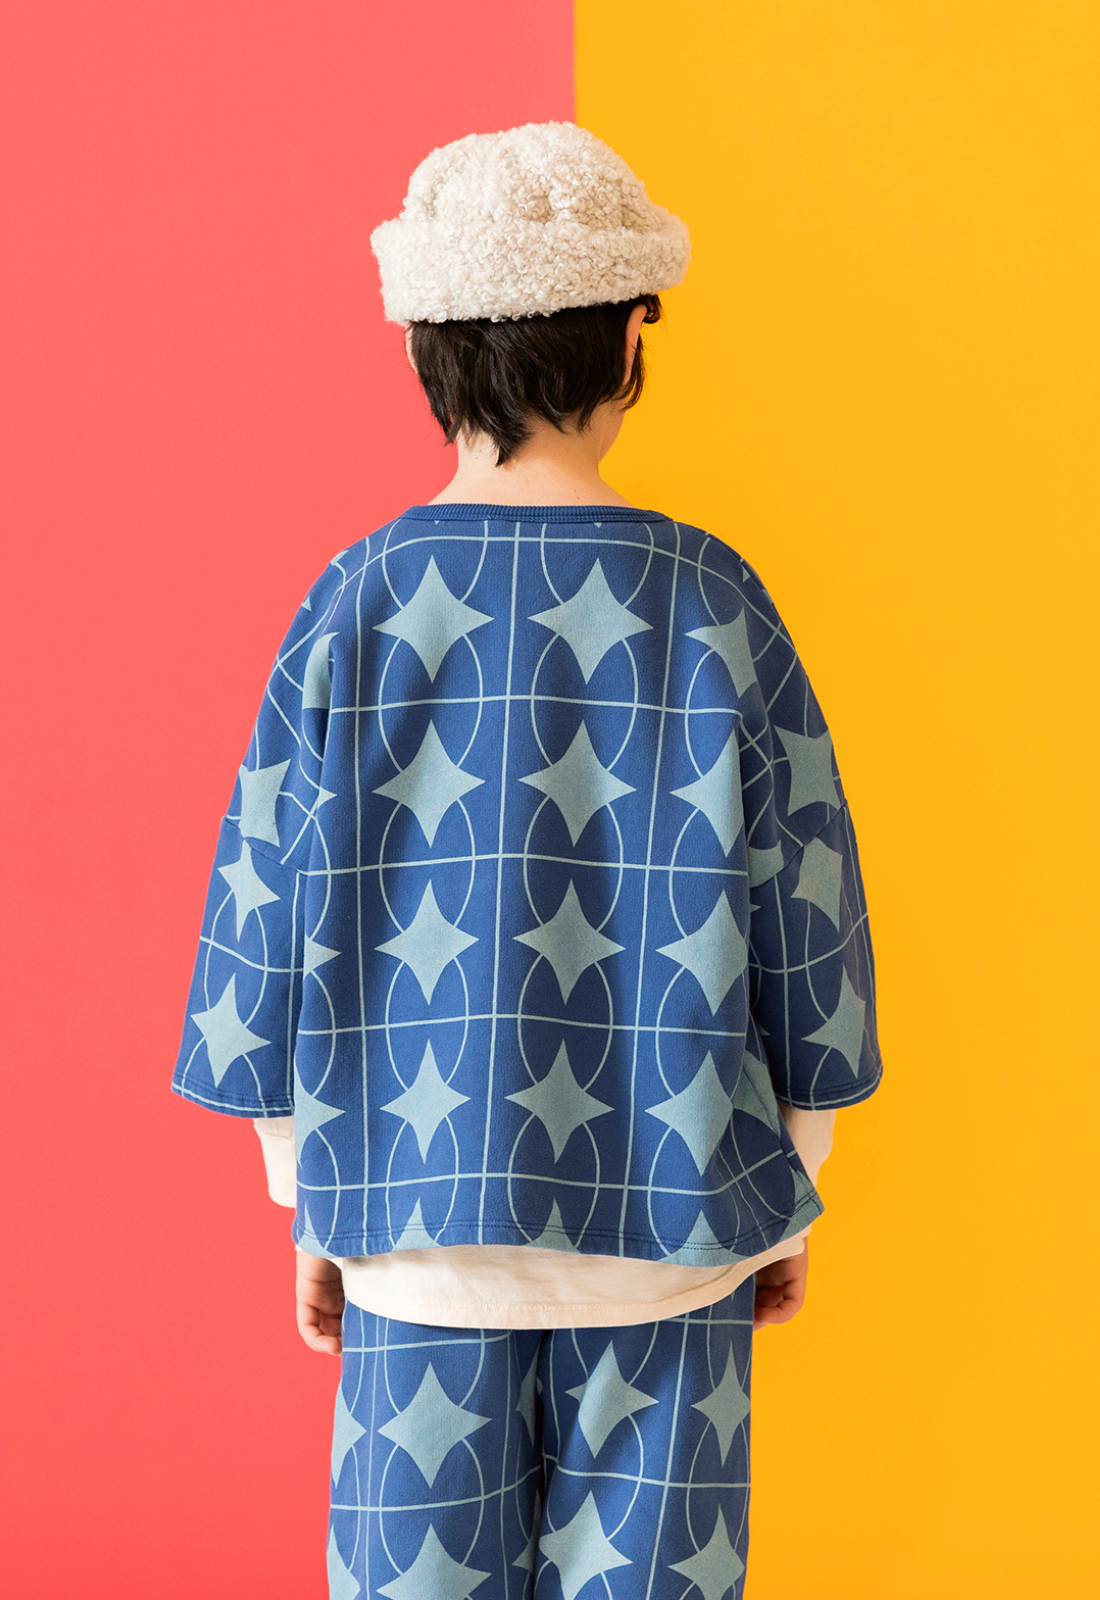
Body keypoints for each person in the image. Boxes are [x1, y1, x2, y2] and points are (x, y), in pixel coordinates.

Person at [171, 120, 883, 1600]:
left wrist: (309, 1190)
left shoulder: (357, 600)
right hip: (678, 1217)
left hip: (413, 1221)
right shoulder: (713, 595)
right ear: (630, 343)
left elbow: (264, 904)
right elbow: (807, 895)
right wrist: (795, 1168)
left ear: (421, 351)